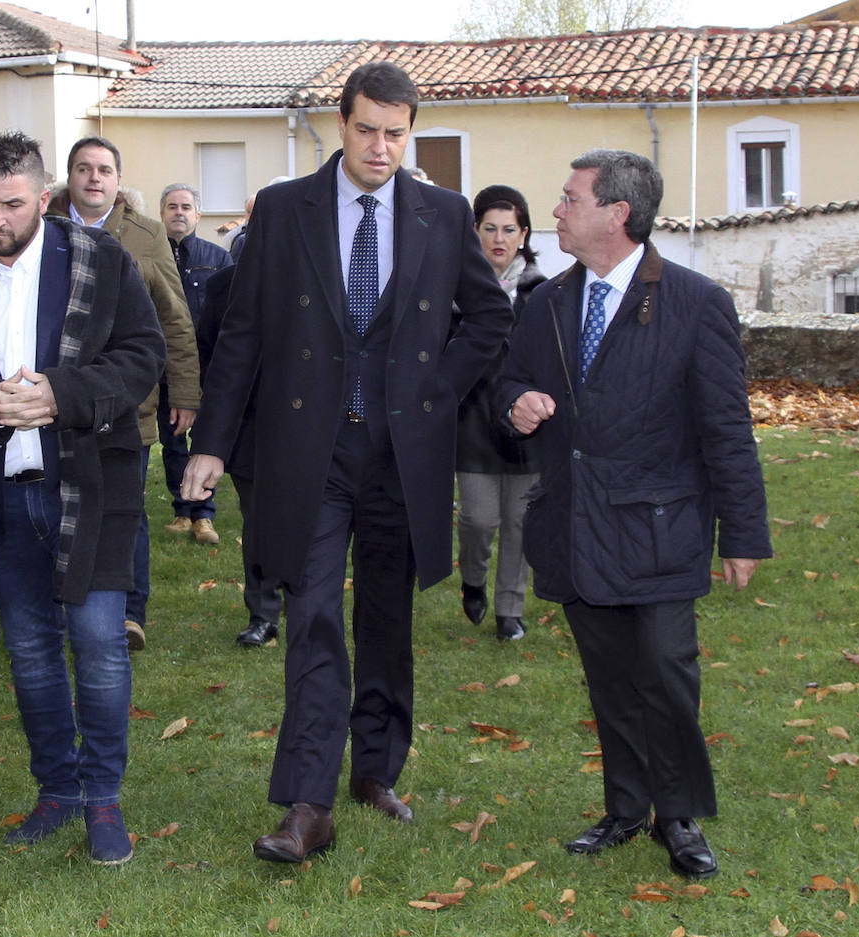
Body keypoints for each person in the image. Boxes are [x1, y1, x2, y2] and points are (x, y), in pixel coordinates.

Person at [182, 62, 513, 862]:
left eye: (396, 133)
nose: (380, 146)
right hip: (311, 452)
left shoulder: (441, 213)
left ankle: (376, 768)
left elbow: (491, 315)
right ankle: (306, 802)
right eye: (367, 129)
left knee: (387, 619)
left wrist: (436, 387)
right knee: (314, 614)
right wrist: (213, 444)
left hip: (402, 456)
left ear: (410, 131)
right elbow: (244, 338)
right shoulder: (287, 212)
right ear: (342, 124)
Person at [498, 149, 771, 879]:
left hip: (659, 531)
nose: (554, 211)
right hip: (575, 527)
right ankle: (624, 806)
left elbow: (726, 429)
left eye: (569, 199)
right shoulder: (549, 301)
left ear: (617, 214)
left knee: (664, 671)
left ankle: (675, 815)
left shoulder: (694, 302)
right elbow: (510, 382)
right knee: (611, 675)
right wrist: (515, 404)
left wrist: (743, 533)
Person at [0, 131, 164, 866]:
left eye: (11, 204)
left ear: (43, 196)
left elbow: (142, 356)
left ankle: (103, 798)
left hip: (88, 485)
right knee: (28, 652)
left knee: (98, 643)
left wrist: (61, 395)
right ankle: (56, 791)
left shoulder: (100, 260)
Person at [46, 137, 201, 651]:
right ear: (69, 176)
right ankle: (55, 605)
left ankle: (130, 614)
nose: (94, 178)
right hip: (54, 400)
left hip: (126, 401)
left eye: (104, 170)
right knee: (52, 505)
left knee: (124, 510)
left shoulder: (147, 235)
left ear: (118, 179)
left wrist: (184, 390)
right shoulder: (40, 228)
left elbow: (174, 319)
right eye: (83, 169)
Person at [455, 185, 548, 642]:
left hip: (527, 429)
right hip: (472, 425)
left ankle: (510, 609)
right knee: (478, 520)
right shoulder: (456, 292)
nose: (499, 238)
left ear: (523, 233)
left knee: (520, 521)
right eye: (489, 228)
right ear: (475, 231)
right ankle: (472, 580)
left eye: (509, 229)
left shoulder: (543, 294)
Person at [195, 264, 284, 648]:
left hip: (317, 424)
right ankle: (264, 613)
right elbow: (210, 353)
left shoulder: (328, 272)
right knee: (260, 521)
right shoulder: (224, 286)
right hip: (251, 427)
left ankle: (309, 606)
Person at [159, 183, 232, 541]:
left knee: (204, 439)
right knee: (172, 441)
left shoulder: (218, 258)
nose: (179, 212)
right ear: (162, 213)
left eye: (186, 207)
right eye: (172, 206)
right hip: (165, 368)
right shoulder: (153, 256)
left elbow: (230, 316)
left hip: (207, 366)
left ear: (198, 215)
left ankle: (204, 514)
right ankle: (182, 511)